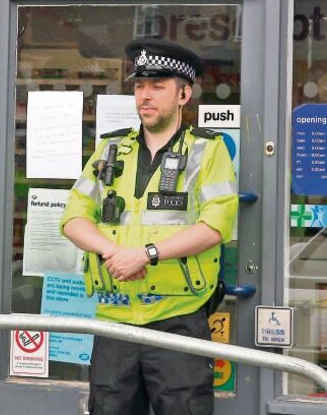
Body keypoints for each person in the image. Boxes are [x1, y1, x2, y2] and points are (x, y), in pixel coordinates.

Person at [61, 37, 239, 415]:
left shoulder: (208, 151)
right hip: (115, 320)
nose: (145, 95)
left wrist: (146, 255)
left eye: (158, 86)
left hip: (177, 318)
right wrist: (114, 253)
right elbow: (73, 218)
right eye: (140, 86)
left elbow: (215, 226)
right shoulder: (110, 149)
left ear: (183, 94)